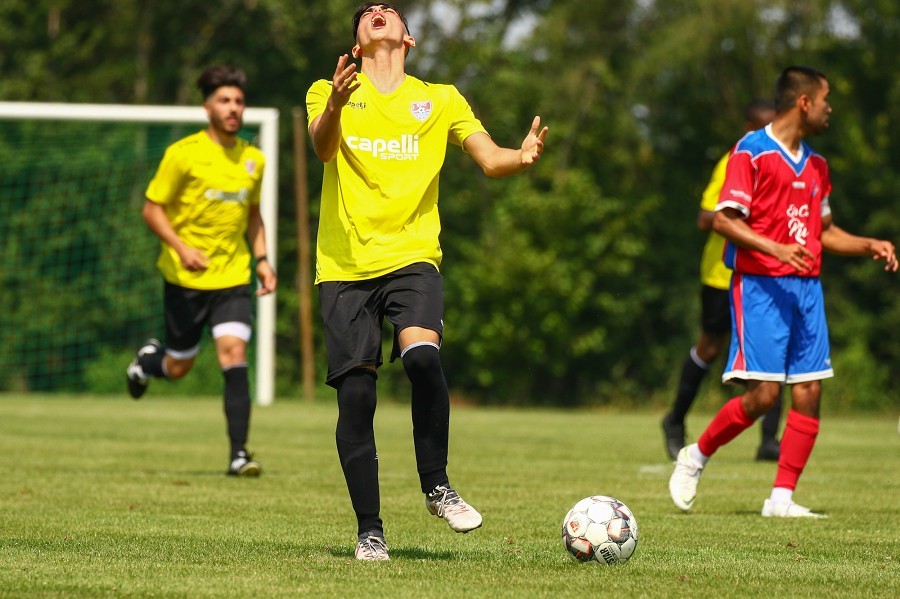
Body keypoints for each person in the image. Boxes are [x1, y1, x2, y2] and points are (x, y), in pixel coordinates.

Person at [306, 2, 548, 560]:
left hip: (414, 254)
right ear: (358, 40)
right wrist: (339, 101)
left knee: (421, 359)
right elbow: (323, 147)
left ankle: (436, 485)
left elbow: (489, 160)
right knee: (358, 396)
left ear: (408, 39)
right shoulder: (328, 89)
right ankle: (371, 530)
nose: (377, 12)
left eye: (388, 10)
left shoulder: (441, 98)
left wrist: (521, 155)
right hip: (345, 266)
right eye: (367, 12)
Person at [669, 66, 897, 518]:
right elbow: (723, 220)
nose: (831, 108)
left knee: (809, 393)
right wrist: (776, 247)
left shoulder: (817, 166)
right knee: (764, 397)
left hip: (806, 290)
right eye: (826, 99)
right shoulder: (750, 152)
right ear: (804, 102)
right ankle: (696, 455)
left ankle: (781, 499)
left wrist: (867, 243)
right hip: (759, 287)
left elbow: (824, 232)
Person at [125, 64, 277, 477]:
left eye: (239, 101)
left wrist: (262, 260)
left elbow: (253, 217)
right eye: (225, 101)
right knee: (179, 366)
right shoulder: (183, 154)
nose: (233, 108)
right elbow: (151, 209)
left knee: (234, 354)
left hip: (232, 278)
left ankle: (239, 455)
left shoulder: (253, 160)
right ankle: (145, 365)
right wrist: (181, 247)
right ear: (207, 106)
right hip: (184, 278)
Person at [661, 99, 783, 462]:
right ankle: (674, 420)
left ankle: (768, 441)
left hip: (763, 273)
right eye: (762, 128)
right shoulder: (735, 160)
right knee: (711, 347)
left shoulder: (779, 163)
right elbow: (705, 219)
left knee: (771, 351)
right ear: (748, 127)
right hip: (722, 273)